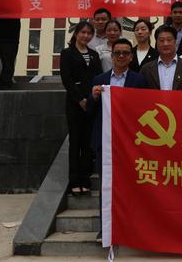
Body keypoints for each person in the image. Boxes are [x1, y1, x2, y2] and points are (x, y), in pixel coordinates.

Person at [90, 38, 146, 242]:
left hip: (130, 143)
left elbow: (143, 110)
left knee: (132, 186)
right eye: (117, 53)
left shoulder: (139, 80)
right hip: (105, 142)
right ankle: (105, 228)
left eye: (125, 53)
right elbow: (90, 111)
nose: (121, 56)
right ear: (111, 56)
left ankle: (131, 226)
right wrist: (94, 97)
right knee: (106, 186)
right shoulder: (99, 79)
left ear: (131, 57)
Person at [60, 21, 103, 197]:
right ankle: (74, 181)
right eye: (83, 32)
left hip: (92, 102)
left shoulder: (94, 54)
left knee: (87, 143)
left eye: (89, 33)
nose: (86, 36)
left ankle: (85, 181)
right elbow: (66, 79)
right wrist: (80, 99)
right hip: (74, 103)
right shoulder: (67, 53)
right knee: (75, 142)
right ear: (76, 33)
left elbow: (98, 77)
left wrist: (91, 99)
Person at [141, 25, 182, 90]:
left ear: (175, 42)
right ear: (156, 43)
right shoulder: (146, 69)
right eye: (161, 40)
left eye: (169, 40)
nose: (165, 44)